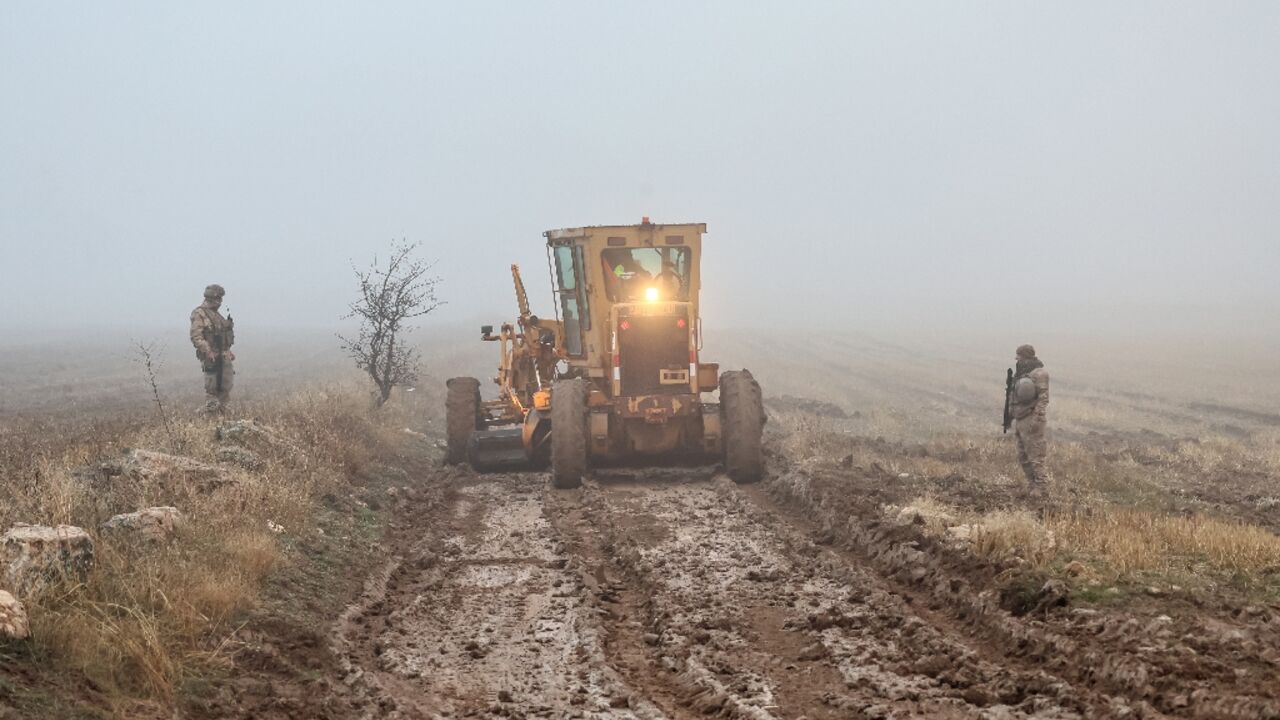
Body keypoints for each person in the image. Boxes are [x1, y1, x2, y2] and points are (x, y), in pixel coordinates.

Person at [1009, 344, 1050, 497]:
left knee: (1036, 456)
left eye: (1019, 356)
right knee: (1023, 456)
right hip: (1020, 418)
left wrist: (1036, 419)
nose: (1017, 360)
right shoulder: (1022, 373)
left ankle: (1041, 488)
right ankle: (1032, 486)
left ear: (1025, 356)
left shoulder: (1039, 374)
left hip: (1031, 418)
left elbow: (1043, 398)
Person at [190, 284, 235, 414]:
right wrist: (207, 350)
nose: (221, 302)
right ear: (212, 298)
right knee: (212, 391)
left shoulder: (217, 315)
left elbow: (222, 334)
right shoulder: (199, 313)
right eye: (219, 298)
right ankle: (204, 418)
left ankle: (224, 418)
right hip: (211, 358)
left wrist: (228, 350)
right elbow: (196, 336)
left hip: (223, 356)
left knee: (225, 388)